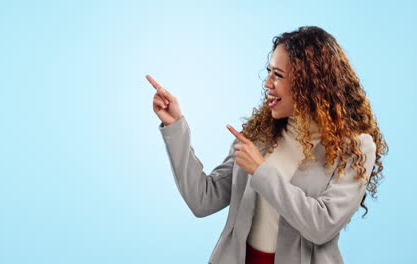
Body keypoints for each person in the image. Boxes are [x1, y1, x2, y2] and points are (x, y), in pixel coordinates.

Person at [147, 26, 388, 264]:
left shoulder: (356, 147)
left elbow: (321, 226)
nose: (267, 84)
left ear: (311, 83)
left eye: (279, 75)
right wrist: (175, 127)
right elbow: (203, 200)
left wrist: (261, 171)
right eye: (269, 72)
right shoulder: (259, 134)